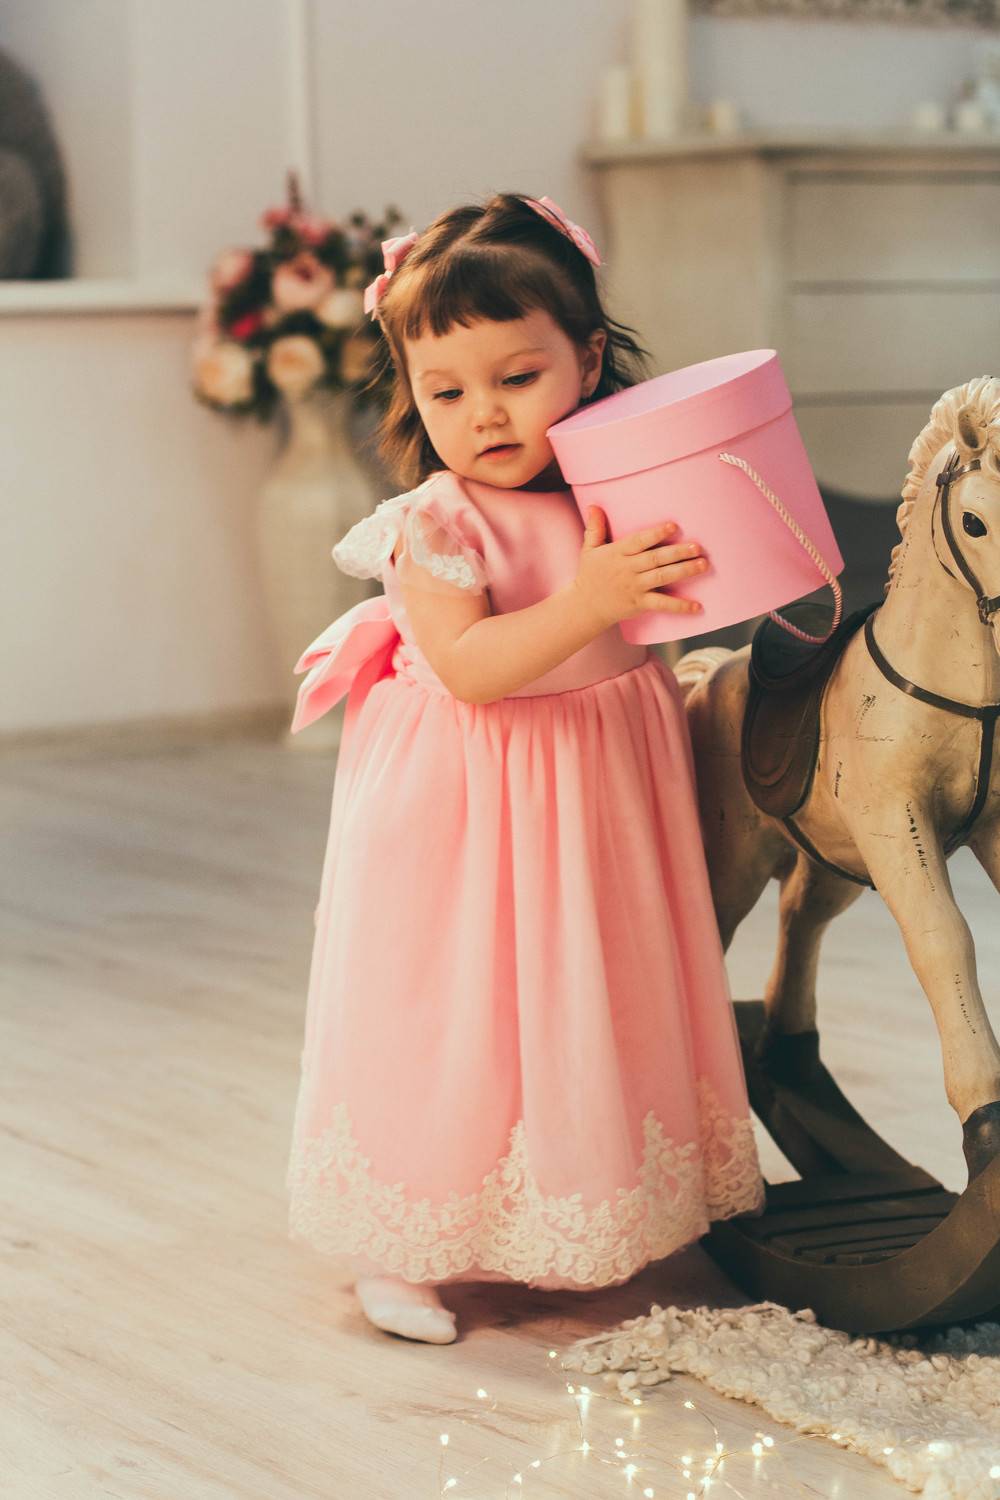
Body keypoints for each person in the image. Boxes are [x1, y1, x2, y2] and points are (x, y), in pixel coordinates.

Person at [285, 192, 765, 1345]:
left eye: (516, 377)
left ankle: (580, 1203)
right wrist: (594, 600)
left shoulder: (616, 487)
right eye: (445, 391)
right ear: (410, 391)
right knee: (457, 1005)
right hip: (470, 794)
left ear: (588, 359)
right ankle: (406, 1244)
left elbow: (676, 599)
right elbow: (470, 666)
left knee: (586, 988)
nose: (484, 414)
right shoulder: (438, 520)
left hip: (595, 779)